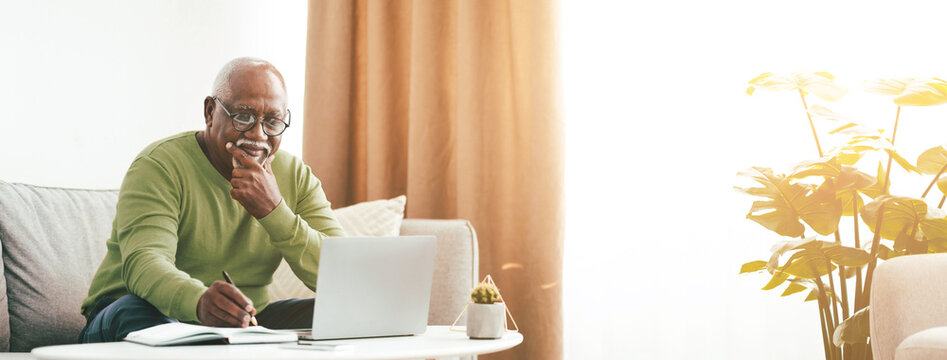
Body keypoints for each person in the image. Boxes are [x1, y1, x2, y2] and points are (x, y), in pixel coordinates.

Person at [78, 57, 346, 343]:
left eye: (272, 122)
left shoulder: (295, 175)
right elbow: (145, 264)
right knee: (131, 309)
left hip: (244, 322)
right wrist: (199, 301)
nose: (258, 135)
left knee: (341, 313)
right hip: (134, 314)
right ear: (210, 111)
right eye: (243, 116)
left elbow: (343, 274)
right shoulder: (159, 165)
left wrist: (273, 211)